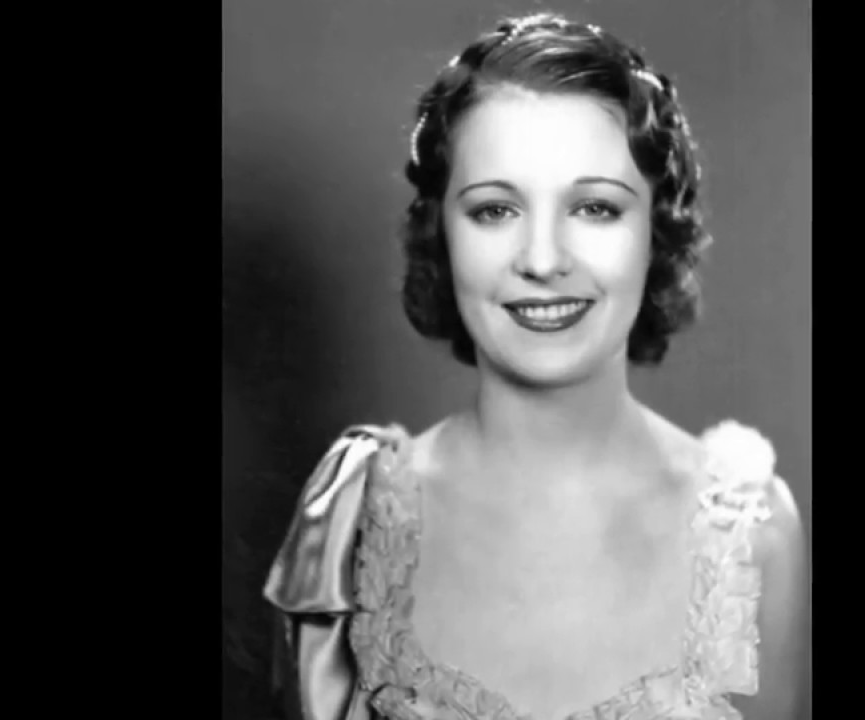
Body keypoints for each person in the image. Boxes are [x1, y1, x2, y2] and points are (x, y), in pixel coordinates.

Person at [264, 12, 807, 720]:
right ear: (442, 232)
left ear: (655, 231)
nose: (544, 260)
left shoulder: (754, 537)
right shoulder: (348, 525)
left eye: (595, 208)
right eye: (495, 211)